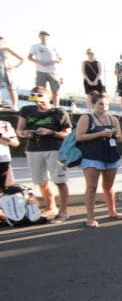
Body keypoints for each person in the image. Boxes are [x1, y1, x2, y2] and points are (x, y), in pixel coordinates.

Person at [16, 86, 71, 221]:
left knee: (60, 181)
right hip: (34, 149)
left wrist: (51, 132)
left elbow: (68, 134)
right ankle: (51, 206)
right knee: (41, 181)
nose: (38, 103)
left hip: (54, 149)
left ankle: (64, 211)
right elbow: (19, 130)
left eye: (41, 98)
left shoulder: (59, 113)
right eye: (35, 98)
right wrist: (24, 133)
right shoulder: (26, 111)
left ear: (49, 97)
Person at [76, 92, 122, 228]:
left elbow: (120, 139)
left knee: (108, 186)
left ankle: (112, 211)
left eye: (106, 104)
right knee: (91, 187)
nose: (104, 106)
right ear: (93, 104)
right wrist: (100, 134)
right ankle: (90, 217)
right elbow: (79, 137)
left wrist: (116, 134)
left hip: (110, 155)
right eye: (100, 104)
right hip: (92, 156)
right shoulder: (86, 118)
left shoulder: (113, 119)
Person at [28, 31, 62, 107]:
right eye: (42, 35)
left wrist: (54, 61)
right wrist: (38, 61)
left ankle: (56, 106)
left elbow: (61, 60)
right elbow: (29, 57)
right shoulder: (35, 46)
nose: (44, 37)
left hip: (53, 71)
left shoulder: (53, 47)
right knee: (39, 90)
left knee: (55, 90)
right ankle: (40, 106)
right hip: (40, 71)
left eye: (46, 36)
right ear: (39, 36)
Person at [0, 35, 24, 110]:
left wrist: (14, 66)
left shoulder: (7, 49)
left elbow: (21, 58)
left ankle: (15, 105)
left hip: (7, 71)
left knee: (11, 88)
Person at [0, 119, 20, 190]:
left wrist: (2, 137)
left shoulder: (5, 124)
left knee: (4, 189)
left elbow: (16, 143)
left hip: (3, 161)